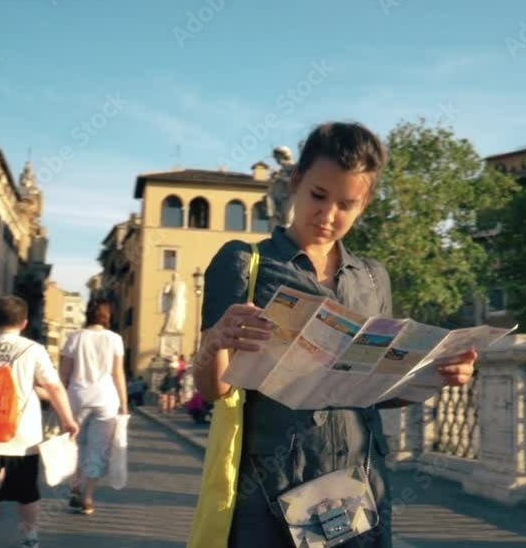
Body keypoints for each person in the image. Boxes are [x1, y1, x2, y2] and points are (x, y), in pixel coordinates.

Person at [194, 122, 478, 547]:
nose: (328, 216)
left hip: (357, 481)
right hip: (269, 486)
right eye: (318, 196)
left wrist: (435, 375)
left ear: (363, 205)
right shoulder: (244, 263)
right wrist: (214, 341)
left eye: (346, 204)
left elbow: (376, 392)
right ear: (295, 183)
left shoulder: (371, 278)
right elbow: (212, 389)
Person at [0, 295, 79, 548]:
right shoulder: (34, 350)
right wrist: (68, 420)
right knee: (27, 493)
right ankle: (30, 539)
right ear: (24, 323)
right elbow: (53, 388)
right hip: (24, 436)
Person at [59, 297, 128, 516]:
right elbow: (118, 373)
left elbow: (64, 374)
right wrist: (124, 403)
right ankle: (88, 498)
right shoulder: (115, 339)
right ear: (108, 316)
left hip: (77, 397)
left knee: (75, 445)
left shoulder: (75, 337)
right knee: (98, 450)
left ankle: (75, 487)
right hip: (106, 398)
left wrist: (56, 400)